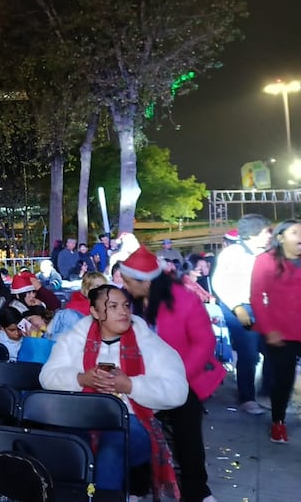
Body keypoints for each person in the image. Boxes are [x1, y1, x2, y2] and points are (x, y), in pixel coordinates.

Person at [40, 284, 188, 498]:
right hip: (80, 417)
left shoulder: (148, 343)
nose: (123, 312)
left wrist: (130, 386)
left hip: (132, 422)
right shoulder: (74, 340)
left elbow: (178, 391)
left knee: (112, 447)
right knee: (64, 446)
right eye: (113, 306)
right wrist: (81, 379)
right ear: (95, 312)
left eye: (126, 306)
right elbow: (47, 376)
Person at [118, 246, 223, 502]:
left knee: (187, 431)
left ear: (146, 282)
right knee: (135, 428)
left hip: (182, 379)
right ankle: (138, 486)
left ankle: (197, 490)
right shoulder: (126, 302)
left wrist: (176, 378)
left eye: (130, 282)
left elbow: (204, 343)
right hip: (139, 380)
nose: (126, 286)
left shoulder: (184, 299)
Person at [210, 213, 273, 415]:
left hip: (264, 308)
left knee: (273, 349)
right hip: (239, 308)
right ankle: (247, 398)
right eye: (266, 231)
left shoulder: (269, 253)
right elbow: (219, 282)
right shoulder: (232, 254)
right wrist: (237, 307)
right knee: (249, 354)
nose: (269, 235)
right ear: (254, 233)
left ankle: (267, 392)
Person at [250, 219, 301, 444]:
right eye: (295, 232)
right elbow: (257, 297)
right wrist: (269, 329)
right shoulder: (265, 261)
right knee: (284, 380)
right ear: (281, 237)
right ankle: (278, 423)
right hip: (281, 333)